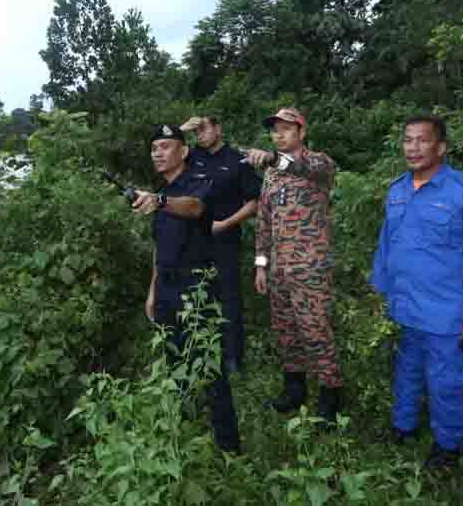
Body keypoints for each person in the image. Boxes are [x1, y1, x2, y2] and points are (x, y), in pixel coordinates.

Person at [369, 115, 463, 470]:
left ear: (440, 147)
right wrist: (381, 290)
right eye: (408, 140)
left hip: (447, 311)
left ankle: (447, 446)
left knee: (446, 382)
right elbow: (387, 244)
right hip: (406, 306)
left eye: (422, 140)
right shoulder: (397, 190)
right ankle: (403, 427)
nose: (413, 148)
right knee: (407, 371)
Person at [134, 124, 240, 454]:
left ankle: (229, 450)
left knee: (211, 370)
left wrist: (160, 200)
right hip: (165, 290)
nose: (158, 153)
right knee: (175, 364)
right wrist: (152, 292)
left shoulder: (196, 182)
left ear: (183, 152)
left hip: (196, 291)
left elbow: (195, 208)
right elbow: (159, 247)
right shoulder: (160, 194)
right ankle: (183, 436)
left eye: (165, 146)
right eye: (154, 148)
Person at [244, 107, 343, 424]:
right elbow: (264, 222)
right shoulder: (271, 176)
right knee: (286, 333)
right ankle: (294, 390)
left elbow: (302, 166)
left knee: (316, 332)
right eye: (275, 130)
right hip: (279, 270)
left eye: (286, 129)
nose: (279, 135)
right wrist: (261, 265)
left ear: (302, 132)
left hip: (310, 269)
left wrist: (272, 158)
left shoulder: (319, 164)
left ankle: (330, 400)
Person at [180, 115, 261, 372]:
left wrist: (226, 223)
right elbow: (167, 155)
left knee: (228, 298)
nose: (200, 134)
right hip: (194, 239)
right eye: (196, 131)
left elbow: (254, 202)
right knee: (196, 294)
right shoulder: (191, 157)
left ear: (218, 128)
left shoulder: (238, 160)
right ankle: (200, 354)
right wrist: (182, 130)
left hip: (225, 239)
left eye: (203, 128)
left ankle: (233, 358)